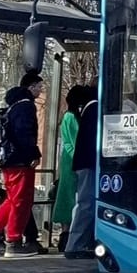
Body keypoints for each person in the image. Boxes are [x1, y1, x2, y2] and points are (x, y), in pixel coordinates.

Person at [0, 71, 44, 258]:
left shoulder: (12, 106)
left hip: (9, 160)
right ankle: (13, 242)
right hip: (20, 161)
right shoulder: (26, 106)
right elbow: (24, 133)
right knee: (21, 201)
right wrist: (34, 153)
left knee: (12, 199)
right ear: (30, 87)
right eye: (39, 86)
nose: (40, 90)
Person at [51, 85, 91, 252]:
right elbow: (75, 140)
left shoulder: (68, 116)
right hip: (73, 159)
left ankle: (65, 233)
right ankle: (67, 234)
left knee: (68, 194)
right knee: (71, 195)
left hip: (70, 158)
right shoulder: (71, 117)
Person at [64, 80, 99, 259]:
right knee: (87, 203)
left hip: (84, 163)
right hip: (89, 164)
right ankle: (75, 245)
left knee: (86, 202)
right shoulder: (94, 108)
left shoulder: (87, 108)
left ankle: (78, 244)